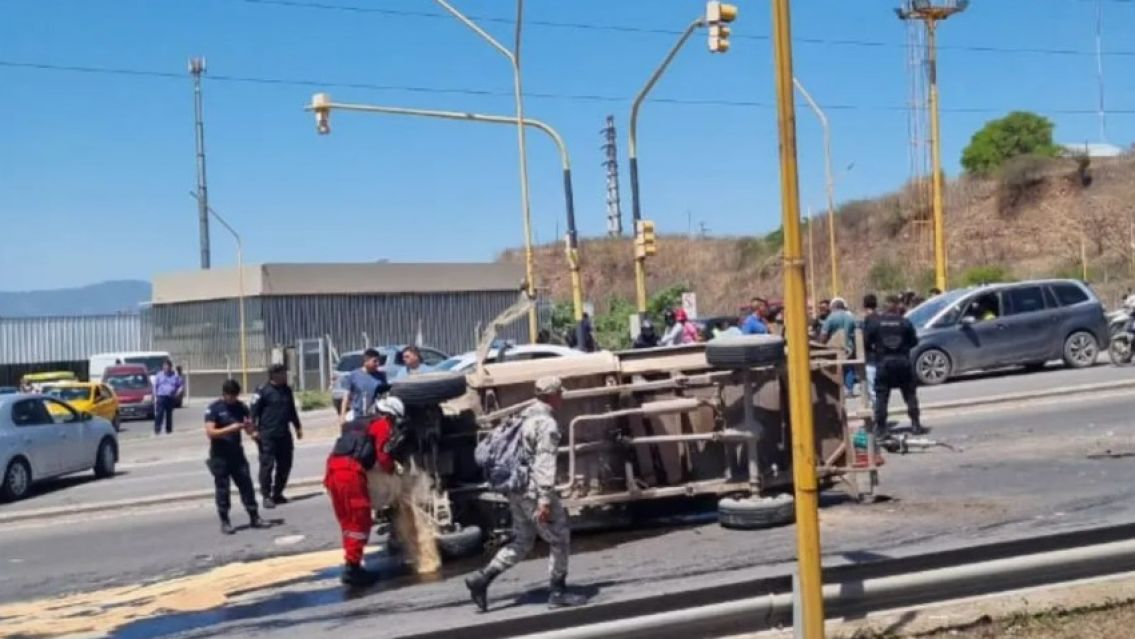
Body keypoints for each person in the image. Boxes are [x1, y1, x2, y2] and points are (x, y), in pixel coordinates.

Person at [465, 376, 585, 612]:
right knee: (559, 537)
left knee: (523, 540)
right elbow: (544, 463)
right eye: (559, 393)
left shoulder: (523, 414)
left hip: (516, 488)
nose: (561, 397)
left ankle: (482, 578)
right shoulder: (546, 424)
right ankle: (558, 591)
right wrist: (544, 499)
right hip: (533, 490)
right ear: (552, 395)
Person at [324, 396, 404, 587]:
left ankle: (352, 562)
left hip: (333, 469)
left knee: (347, 521)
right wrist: (394, 471)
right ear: (390, 415)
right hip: (349, 473)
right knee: (359, 520)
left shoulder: (360, 421)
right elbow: (383, 456)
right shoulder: (382, 424)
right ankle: (353, 569)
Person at [205, 380, 269, 535]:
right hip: (220, 455)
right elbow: (210, 432)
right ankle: (225, 521)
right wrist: (230, 428)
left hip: (237, 454)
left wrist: (251, 430)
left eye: (235, 396)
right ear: (225, 394)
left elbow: (249, 429)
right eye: (230, 396)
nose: (233, 399)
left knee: (246, 485)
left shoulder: (241, 407)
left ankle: (254, 516)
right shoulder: (214, 408)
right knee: (223, 489)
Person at [864, 295, 923, 437]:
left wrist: (875, 350)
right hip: (903, 362)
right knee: (909, 394)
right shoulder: (905, 322)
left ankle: (882, 427)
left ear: (884, 308)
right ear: (897, 307)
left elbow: (866, 342)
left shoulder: (876, 323)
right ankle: (915, 424)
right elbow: (914, 341)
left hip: (884, 363)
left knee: (881, 396)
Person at [252, 364, 303, 509]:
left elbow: (292, 410)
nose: (285, 376)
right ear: (274, 375)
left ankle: (278, 493)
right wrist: (254, 431)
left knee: (285, 464)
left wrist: (297, 427)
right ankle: (266, 496)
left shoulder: (286, 390)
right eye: (283, 374)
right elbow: (253, 413)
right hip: (267, 435)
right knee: (267, 465)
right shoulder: (262, 391)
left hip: (284, 434)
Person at [338, 348, 390, 423]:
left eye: (379, 361)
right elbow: (346, 397)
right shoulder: (354, 376)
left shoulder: (381, 376)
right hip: (358, 416)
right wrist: (342, 415)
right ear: (366, 361)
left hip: (376, 417)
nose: (378, 364)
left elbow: (385, 396)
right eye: (375, 361)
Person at [821, 298, 860, 395]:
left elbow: (824, 334)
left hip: (834, 347)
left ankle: (838, 390)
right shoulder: (851, 318)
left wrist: (821, 344)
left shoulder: (831, 318)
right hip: (849, 347)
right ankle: (849, 389)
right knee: (849, 368)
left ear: (833, 307)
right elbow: (857, 332)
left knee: (836, 368)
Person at [153, 359, 184, 436]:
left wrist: (178, 392)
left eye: (167, 366)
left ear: (170, 367)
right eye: (164, 366)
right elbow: (155, 386)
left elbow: (180, 385)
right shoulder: (159, 375)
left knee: (169, 414)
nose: (166, 367)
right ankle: (157, 429)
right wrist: (154, 395)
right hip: (161, 396)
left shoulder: (175, 376)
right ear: (163, 367)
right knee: (159, 413)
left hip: (170, 397)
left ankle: (169, 430)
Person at [860, 294, 880, 405]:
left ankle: (878, 414)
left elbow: (866, 339)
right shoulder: (880, 317)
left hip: (871, 357)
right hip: (881, 356)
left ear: (864, 305)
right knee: (880, 388)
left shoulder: (868, 320)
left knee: (872, 388)